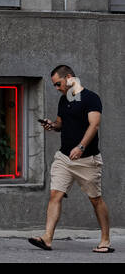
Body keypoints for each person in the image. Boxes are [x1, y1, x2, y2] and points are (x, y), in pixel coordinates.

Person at [29, 65, 112, 253]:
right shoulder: (63, 100)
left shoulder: (91, 98)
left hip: (87, 160)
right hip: (64, 158)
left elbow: (94, 125)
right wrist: (53, 125)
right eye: (55, 85)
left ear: (69, 77)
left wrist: (81, 146)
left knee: (95, 199)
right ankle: (47, 238)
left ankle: (105, 240)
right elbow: (61, 123)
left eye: (58, 84)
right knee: (55, 195)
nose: (57, 88)